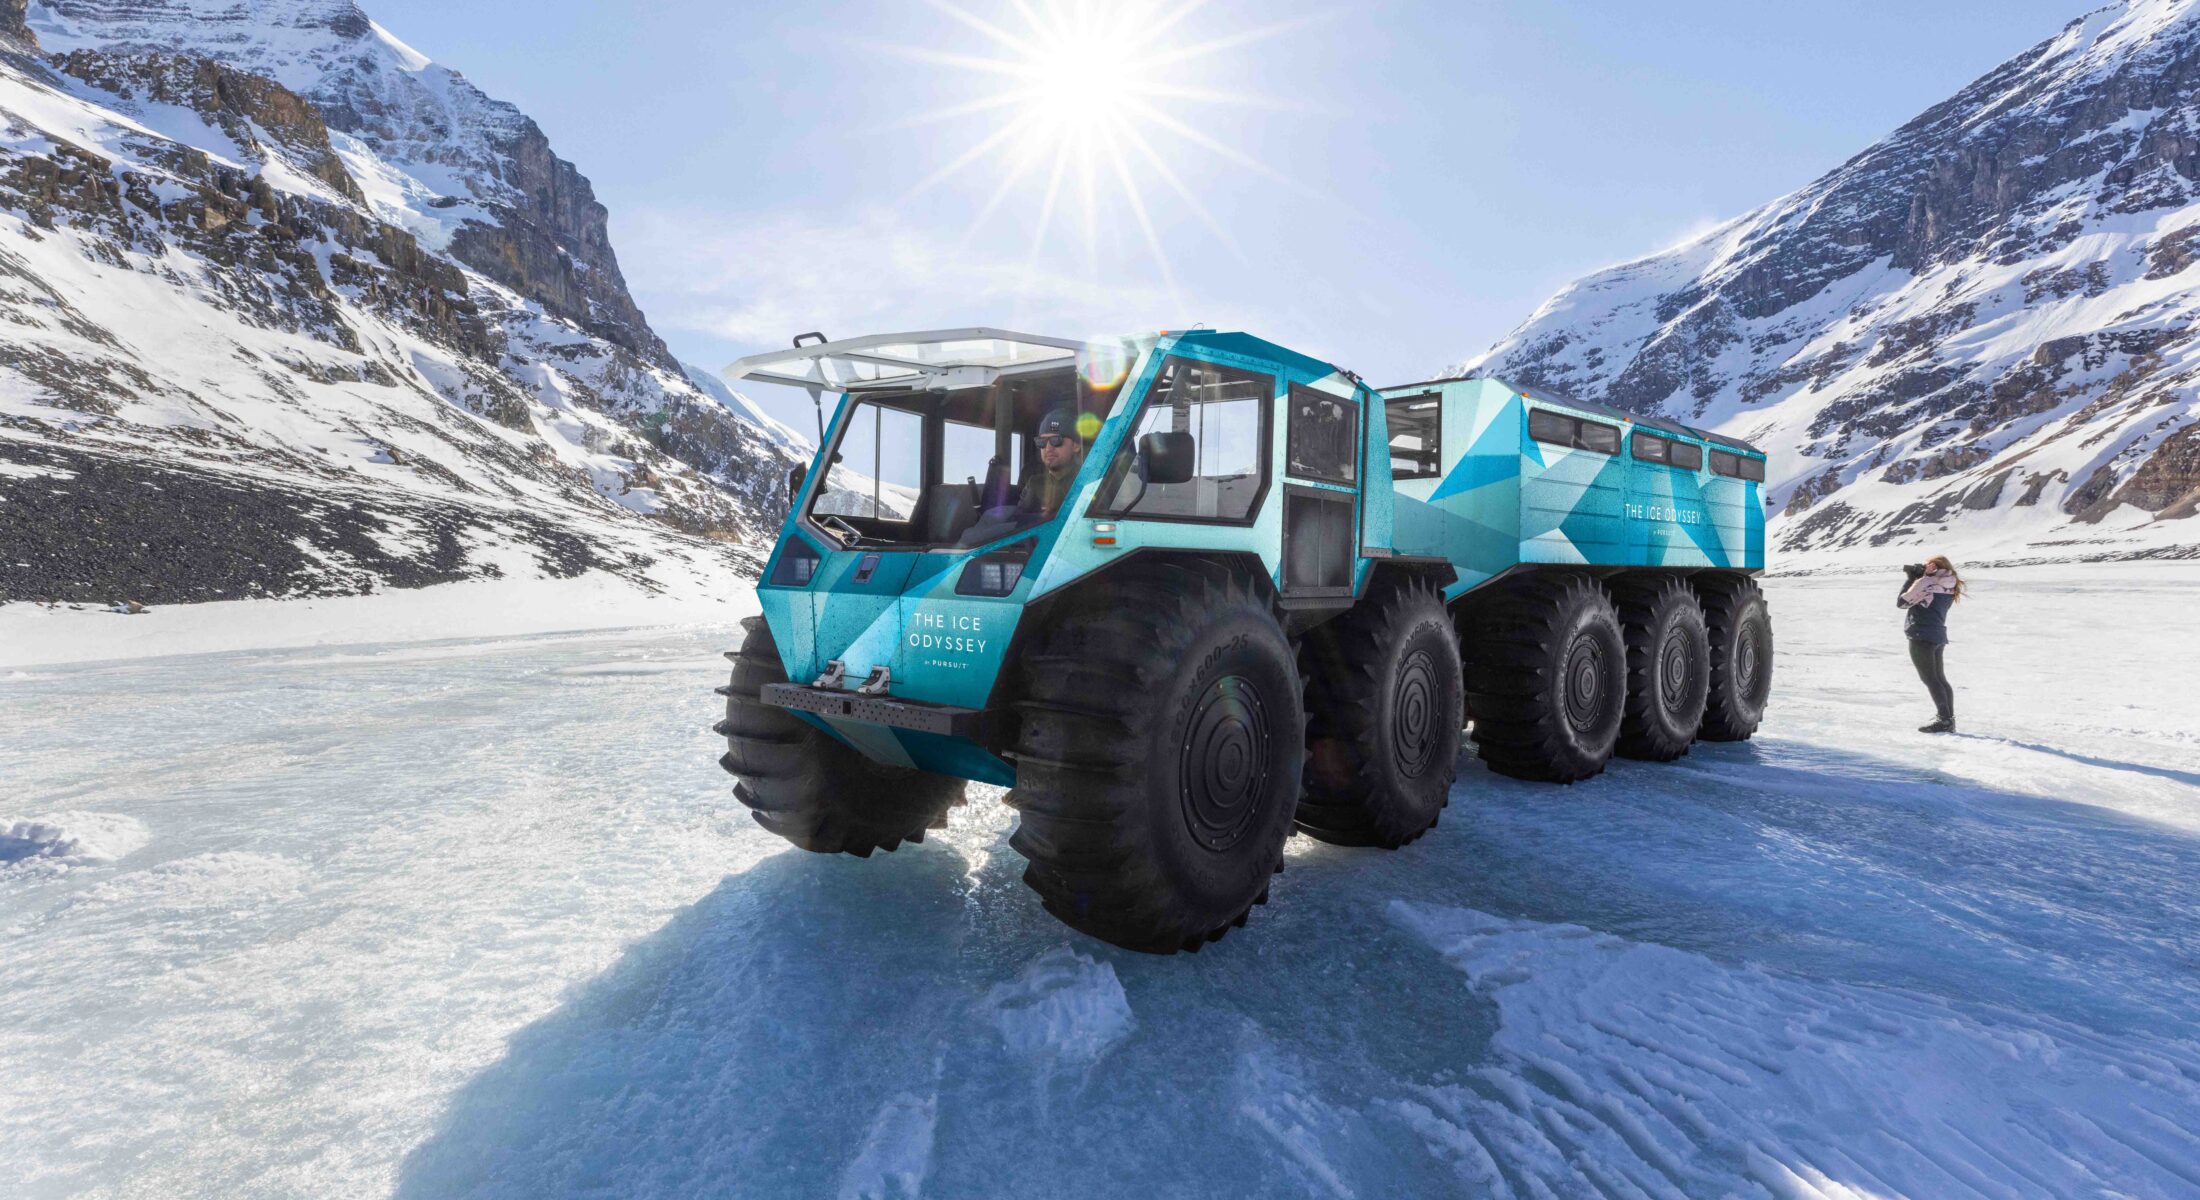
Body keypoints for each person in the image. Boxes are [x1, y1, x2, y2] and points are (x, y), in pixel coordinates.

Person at [1898, 555, 1965, 733]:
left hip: (1921, 634)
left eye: (1929, 564)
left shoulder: (1926, 582)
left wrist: (1912, 579)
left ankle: (1944, 720)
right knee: (1940, 679)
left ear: (1935, 566)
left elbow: (1902, 602)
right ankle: (1948, 720)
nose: (1925, 566)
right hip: (1937, 634)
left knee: (1930, 679)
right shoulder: (1950, 584)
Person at [1018, 407, 1086, 517]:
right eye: (1042, 442)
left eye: (1056, 440)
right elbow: (1019, 523)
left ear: (1076, 445)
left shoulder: (1088, 482)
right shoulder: (1034, 483)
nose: (1048, 448)